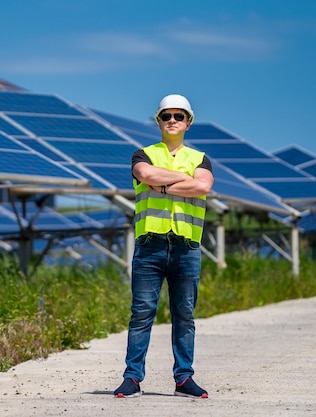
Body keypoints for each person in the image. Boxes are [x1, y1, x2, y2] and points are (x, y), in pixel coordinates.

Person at [114, 94, 214, 399]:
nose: (173, 120)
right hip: (150, 246)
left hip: (186, 247)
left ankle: (184, 378)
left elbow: (203, 186)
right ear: (158, 120)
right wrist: (183, 180)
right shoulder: (142, 154)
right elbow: (145, 175)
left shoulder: (201, 159)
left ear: (189, 122)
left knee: (184, 313)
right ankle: (133, 378)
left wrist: (163, 184)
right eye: (167, 116)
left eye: (179, 116)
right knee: (141, 313)